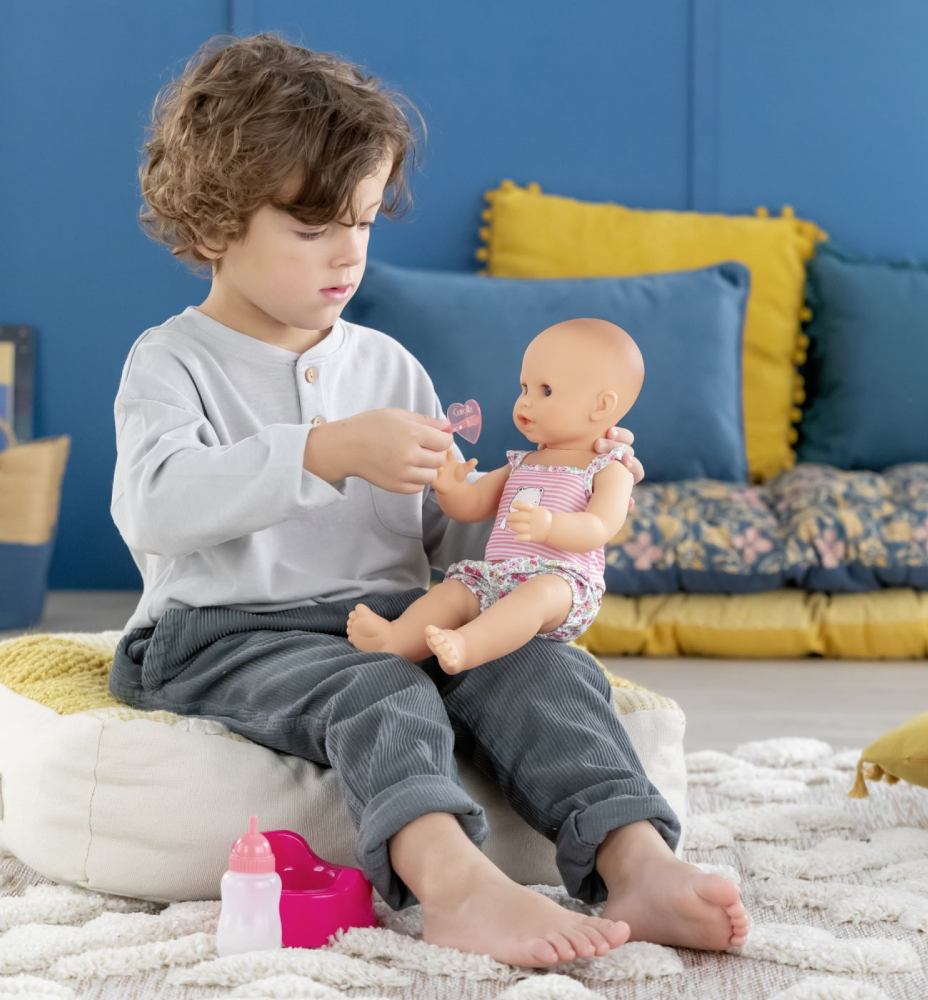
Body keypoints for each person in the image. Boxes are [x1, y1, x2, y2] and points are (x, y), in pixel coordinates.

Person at [108, 32, 749, 968]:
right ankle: (454, 889)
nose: (348, 255)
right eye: (312, 229)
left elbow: (450, 549)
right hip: (223, 632)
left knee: (541, 669)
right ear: (214, 227)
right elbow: (156, 506)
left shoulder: (387, 365)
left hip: (395, 615)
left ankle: (635, 860)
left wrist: (544, 485)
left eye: (364, 223)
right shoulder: (172, 362)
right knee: (383, 689)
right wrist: (325, 451)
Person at [347, 318, 643, 674]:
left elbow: (599, 527)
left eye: (546, 391)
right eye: (524, 387)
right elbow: (471, 507)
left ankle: (467, 645)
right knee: (452, 592)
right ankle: (394, 640)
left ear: (601, 406)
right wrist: (451, 487)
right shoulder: (522, 463)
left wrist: (550, 525)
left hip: (565, 585)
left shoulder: (609, 468)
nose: (525, 402)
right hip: (499, 576)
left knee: (537, 596)